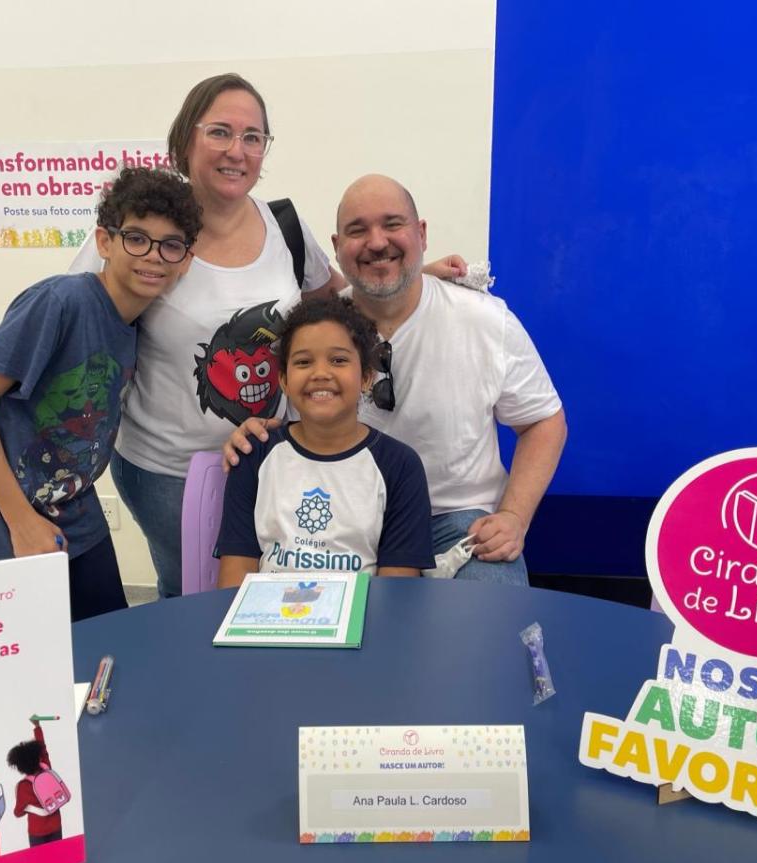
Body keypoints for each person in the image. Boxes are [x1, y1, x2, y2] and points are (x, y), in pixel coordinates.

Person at [0, 73, 464, 600]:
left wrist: (408, 277)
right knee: (187, 599)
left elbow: (333, 301)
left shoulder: (285, 227)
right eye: (219, 131)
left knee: (264, 589)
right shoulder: (149, 229)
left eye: (253, 136)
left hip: (262, 457)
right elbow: (77, 330)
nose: (236, 149)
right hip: (165, 472)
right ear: (185, 140)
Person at [227, 174, 567, 585]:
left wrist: (513, 516)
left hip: (456, 524)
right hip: (344, 522)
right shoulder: (318, 331)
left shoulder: (485, 321)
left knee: (493, 627)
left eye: (392, 224)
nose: (375, 242)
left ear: (421, 234)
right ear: (336, 248)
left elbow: (544, 421)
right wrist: (255, 430)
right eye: (357, 230)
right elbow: (293, 415)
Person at [0, 166, 202, 621]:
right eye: (137, 238)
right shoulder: (61, 301)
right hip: (11, 519)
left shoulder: (135, 325)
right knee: (39, 665)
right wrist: (22, 523)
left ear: (186, 261)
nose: (153, 256)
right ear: (104, 242)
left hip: (76, 510)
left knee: (110, 644)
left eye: (171, 245)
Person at [216, 296, 434, 587]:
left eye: (339, 360)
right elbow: (234, 580)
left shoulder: (400, 466)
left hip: (362, 625)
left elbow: (397, 592)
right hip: (267, 626)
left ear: (367, 377)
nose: (320, 374)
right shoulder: (254, 454)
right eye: (304, 362)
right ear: (283, 380)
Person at [8, 717, 66, 846]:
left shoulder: (24, 786)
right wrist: (37, 726)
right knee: (59, 858)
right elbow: (43, 748)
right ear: (38, 756)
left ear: (19, 767)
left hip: (37, 831)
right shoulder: (46, 768)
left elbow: (18, 813)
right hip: (56, 825)